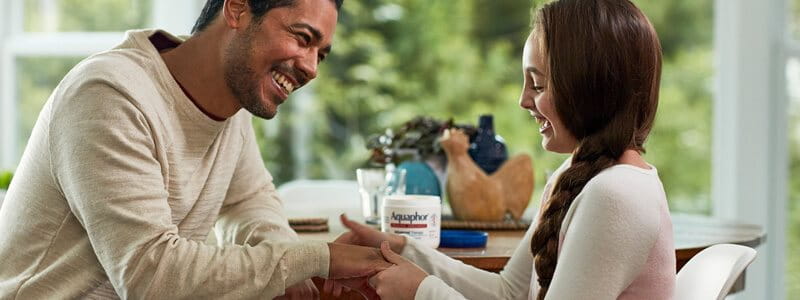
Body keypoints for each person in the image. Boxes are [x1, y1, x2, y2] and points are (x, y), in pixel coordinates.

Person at [0, 0, 391, 298]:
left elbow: (247, 204)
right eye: (303, 38)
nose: (311, 68)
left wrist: (295, 272)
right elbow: (150, 275)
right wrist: (316, 258)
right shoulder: (110, 94)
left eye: (320, 53)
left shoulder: (232, 104)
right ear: (237, 9)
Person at [329, 0, 675, 299]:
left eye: (538, 84)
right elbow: (508, 293)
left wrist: (421, 291)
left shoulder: (617, 195)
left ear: (590, 87)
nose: (523, 100)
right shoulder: (579, 176)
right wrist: (402, 250)